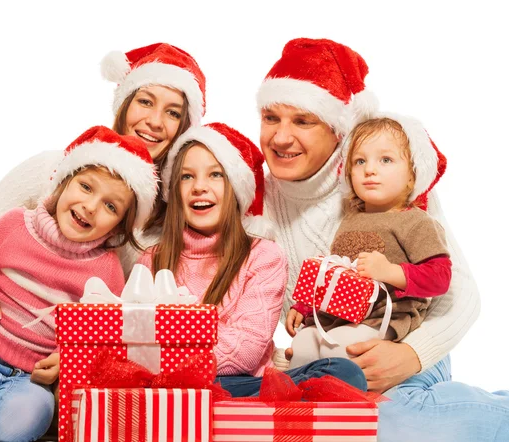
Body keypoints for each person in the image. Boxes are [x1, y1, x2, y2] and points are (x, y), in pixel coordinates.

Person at [0, 42, 206, 390]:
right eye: (145, 101)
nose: (154, 121)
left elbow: (141, 327)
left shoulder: (169, 222)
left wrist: (80, 357)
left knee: (26, 415)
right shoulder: (52, 169)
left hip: (70, 370)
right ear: (125, 103)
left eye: (173, 113)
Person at [259, 37, 509, 441]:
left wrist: (410, 355)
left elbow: (459, 292)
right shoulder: (249, 192)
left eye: (303, 121)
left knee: (392, 423)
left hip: (407, 341)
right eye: (271, 118)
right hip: (326, 352)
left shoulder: (384, 184)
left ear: (338, 129)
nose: (282, 137)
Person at [0, 126, 159, 441]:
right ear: (62, 183)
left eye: (111, 206)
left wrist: (70, 360)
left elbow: (99, 336)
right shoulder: (15, 226)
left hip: (34, 379)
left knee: (20, 424)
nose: (91, 206)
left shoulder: (106, 270)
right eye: (85, 187)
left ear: (119, 225)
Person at [136, 122, 367, 396]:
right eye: (187, 177)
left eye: (215, 175)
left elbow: (245, 351)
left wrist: (172, 339)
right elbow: (135, 343)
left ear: (236, 187)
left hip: (238, 384)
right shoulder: (151, 260)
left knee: (343, 372)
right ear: (174, 191)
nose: (199, 186)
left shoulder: (263, 256)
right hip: (166, 388)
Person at [287, 115, 452, 368]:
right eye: (360, 161)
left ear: (412, 175)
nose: (370, 169)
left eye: (386, 160)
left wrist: (391, 272)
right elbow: (337, 274)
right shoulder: (350, 219)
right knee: (304, 345)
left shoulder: (416, 222)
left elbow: (440, 277)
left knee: (343, 347)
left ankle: (342, 399)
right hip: (338, 315)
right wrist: (306, 307)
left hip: (383, 319)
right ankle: (307, 399)